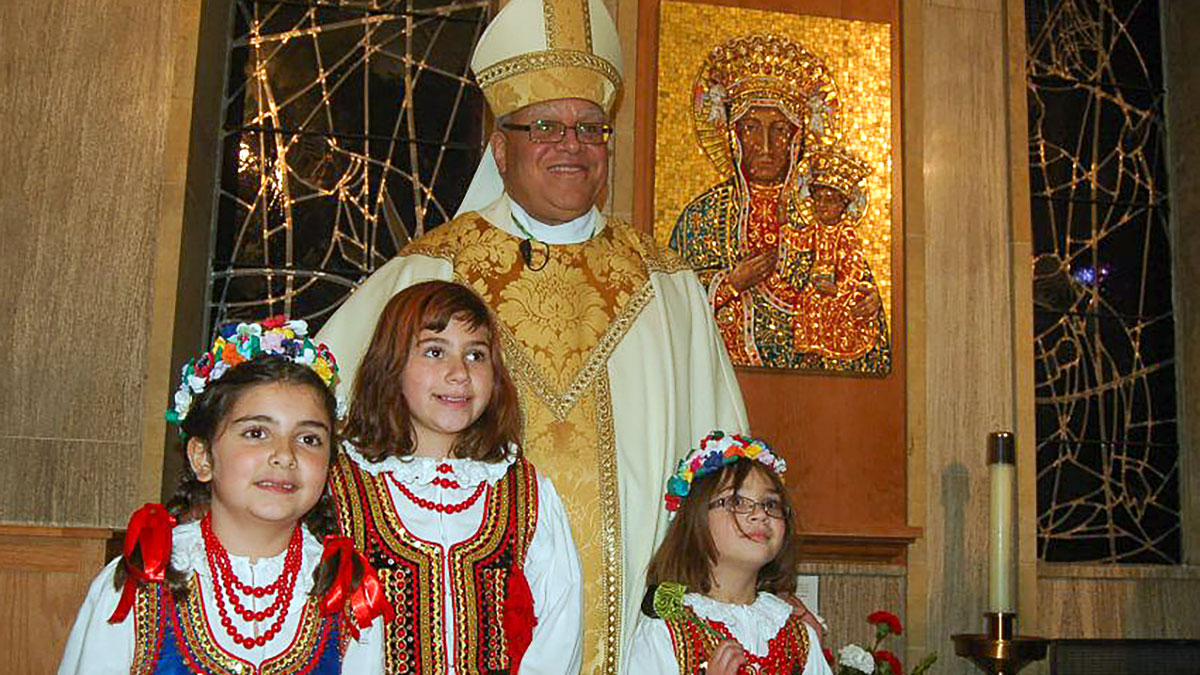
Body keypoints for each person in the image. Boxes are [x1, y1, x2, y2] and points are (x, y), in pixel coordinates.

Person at [316, 0, 748, 671]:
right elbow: (312, 422)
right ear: (499, 144)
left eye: (590, 128)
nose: (571, 145)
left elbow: (723, 469)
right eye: (544, 125)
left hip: (641, 635)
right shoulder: (428, 271)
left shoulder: (668, 286)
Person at [58, 318, 390, 674]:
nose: (284, 454)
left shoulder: (348, 592)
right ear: (202, 457)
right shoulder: (139, 584)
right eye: (256, 433)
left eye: (309, 439)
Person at [329, 280, 583, 674]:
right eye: (435, 351)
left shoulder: (524, 492)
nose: (459, 374)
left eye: (476, 355)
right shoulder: (341, 486)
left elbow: (560, 623)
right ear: (390, 364)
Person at [668, 34, 889, 373]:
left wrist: (865, 305)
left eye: (781, 130)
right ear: (734, 136)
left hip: (815, 391)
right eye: (752, 128)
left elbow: (854, 282)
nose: (766, 145)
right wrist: (730, 284)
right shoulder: (704, 216)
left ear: (797, 140)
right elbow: (669, 307)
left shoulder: (822, 214)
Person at [626, 431, 832, 675]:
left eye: (771, 504)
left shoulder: (799, 639)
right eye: (737, 502)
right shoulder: (664, 632)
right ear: (695, 520)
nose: (760, 514)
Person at [786, 148, 891, 363]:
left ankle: (833, 349)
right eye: (818, 199)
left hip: (842, 287)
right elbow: (801, 240)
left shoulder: (846, 233)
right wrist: (783, 229)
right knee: (809, 301)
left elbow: (853, 267)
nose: (822, 205)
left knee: (835, 307)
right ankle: (811, 350)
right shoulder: (816, 228)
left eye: (829, 200)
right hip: (818, 284)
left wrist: (838, 289)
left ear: (843, 205)